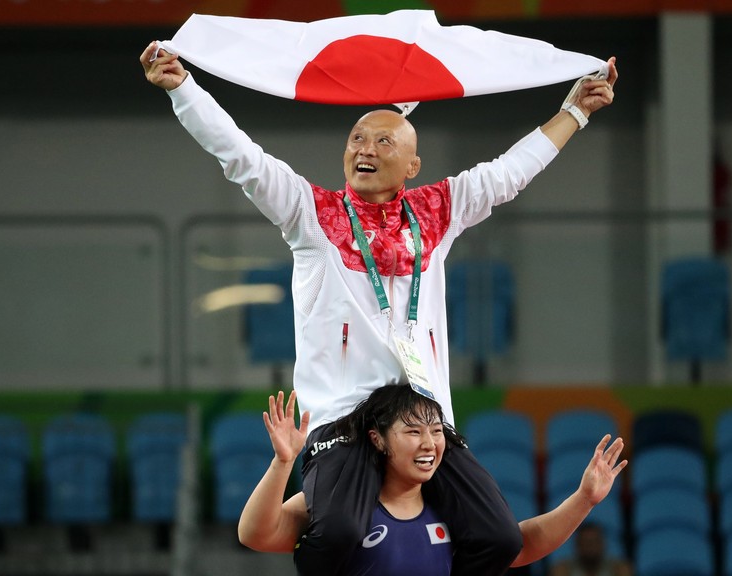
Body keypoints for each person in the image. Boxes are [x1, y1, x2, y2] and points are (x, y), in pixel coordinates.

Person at [140, 39, 618, 576]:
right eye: (356, 138)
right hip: (344, 425)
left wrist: (575, 111)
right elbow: (240, 156)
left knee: (498, 537)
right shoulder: (310, 214)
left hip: (422, 423)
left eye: (383, 140)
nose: (364, 148)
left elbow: (509, 172)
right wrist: (183, 89)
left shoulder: (439, 212)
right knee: (339, 531)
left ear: (413, 163)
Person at [239, 387, 627, 575]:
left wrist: (585, 499)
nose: (429, 444)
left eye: (436, 431)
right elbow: (257, 534)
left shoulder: (450, 508)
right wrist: (282, 462)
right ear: (378, 440)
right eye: (412, 433)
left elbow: (520, 545)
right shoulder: (345, 504)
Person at [548, 522, 633, 576]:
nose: (590, 547)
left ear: (603, 544)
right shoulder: (562, 569)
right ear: (577, 545)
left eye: (594, 542)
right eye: (586, 542)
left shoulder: (620, 568)